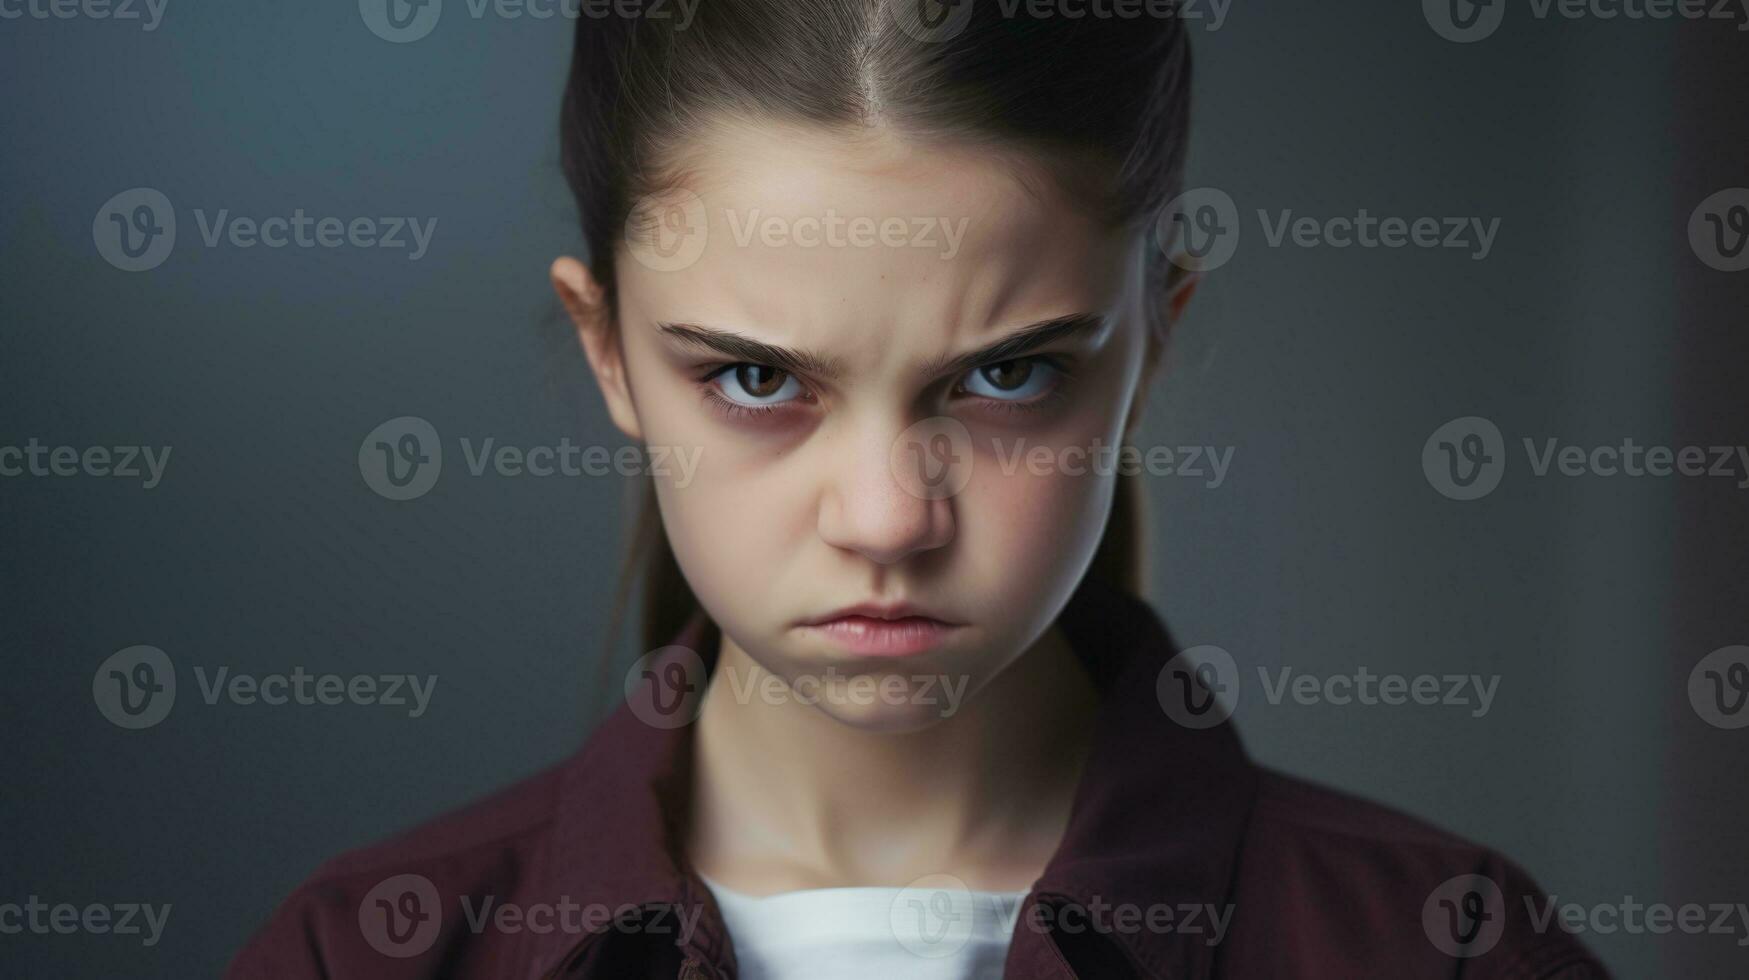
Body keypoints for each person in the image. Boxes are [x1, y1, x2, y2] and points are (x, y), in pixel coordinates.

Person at [231, 2, 1609, 976]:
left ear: (1154, 339)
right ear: (607, 353)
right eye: (758, 381)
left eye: (1005, 378)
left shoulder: (1447, 950)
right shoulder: (362, 954)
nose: (887, 518)